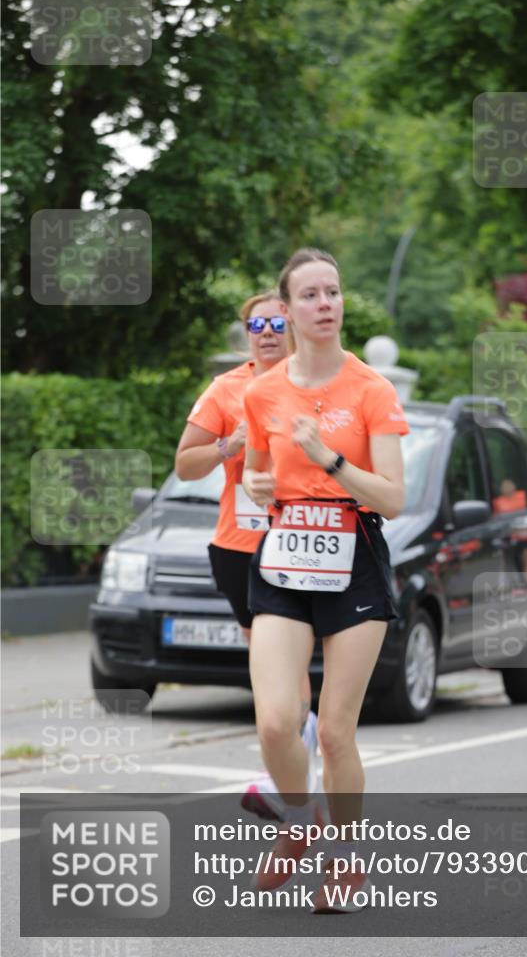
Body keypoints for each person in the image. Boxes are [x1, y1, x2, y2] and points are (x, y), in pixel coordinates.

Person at [242, 247, 409, 911]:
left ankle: (343, 858)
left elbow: (393, 498)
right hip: (285, 557)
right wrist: (259, 487)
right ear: (284, 310)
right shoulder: (262, 391)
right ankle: (298, 819)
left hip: (354, 555)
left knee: (335, 731)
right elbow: (259, 476)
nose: (324, 305)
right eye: (309, 295)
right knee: (278, 723)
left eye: (332, 293)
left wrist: (329, 458)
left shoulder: (370, 389)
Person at [175, 291, 318, 818]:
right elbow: (185, 464)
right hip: (238, 546)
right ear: (246, 332)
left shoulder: (315, 384)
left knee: (286, 662)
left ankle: (284, 772)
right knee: (266, 664)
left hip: (301, 542)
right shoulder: (227, 388)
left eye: (278, 323)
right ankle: (293, 772)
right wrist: (228, 446)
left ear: (295, 329)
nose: (267, 332)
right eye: (256, 323)